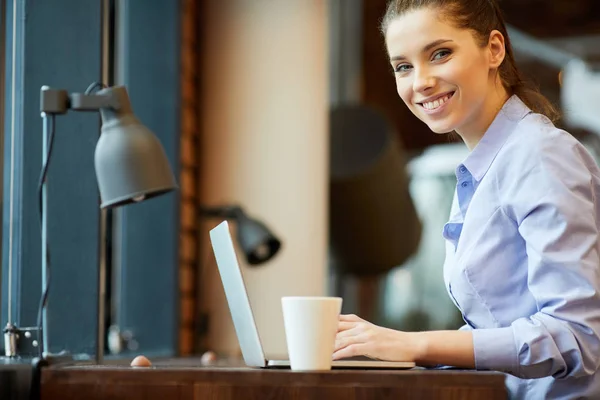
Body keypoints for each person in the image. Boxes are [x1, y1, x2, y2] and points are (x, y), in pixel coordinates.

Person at [333, 0, 600, 398]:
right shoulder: (484, 166)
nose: (420, 81)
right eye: (403, 66)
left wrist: (414, 344)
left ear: (494, 49)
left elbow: (577, 337)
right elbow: (499, 329)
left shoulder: (540, 156)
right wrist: (384, 348)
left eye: (440, 53)